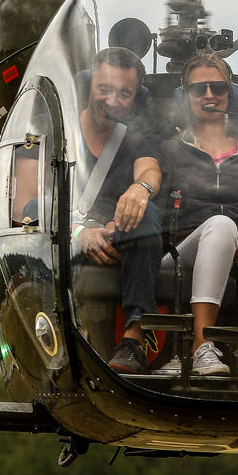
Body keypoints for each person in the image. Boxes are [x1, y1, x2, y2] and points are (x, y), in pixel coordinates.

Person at [156, 53, 238, 378]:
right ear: (185, 98)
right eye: (199, 89)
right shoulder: (168, 150)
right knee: (222, 226)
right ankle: (202, 347)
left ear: (231, 93)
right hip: (180, 252)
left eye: (218, 87)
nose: (210, 95)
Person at [72, 46, 163, 375]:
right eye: (104, 89)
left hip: (116, 237)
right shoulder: (52, 130)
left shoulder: (138, 138)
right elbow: (27, 205)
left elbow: (150, 170)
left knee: (146, 214)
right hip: (56, 241)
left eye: (124, 94)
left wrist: (140, 189)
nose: (112, 101)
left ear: (136, 99)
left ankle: (134, 338)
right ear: (88, 86)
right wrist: (80, 233)